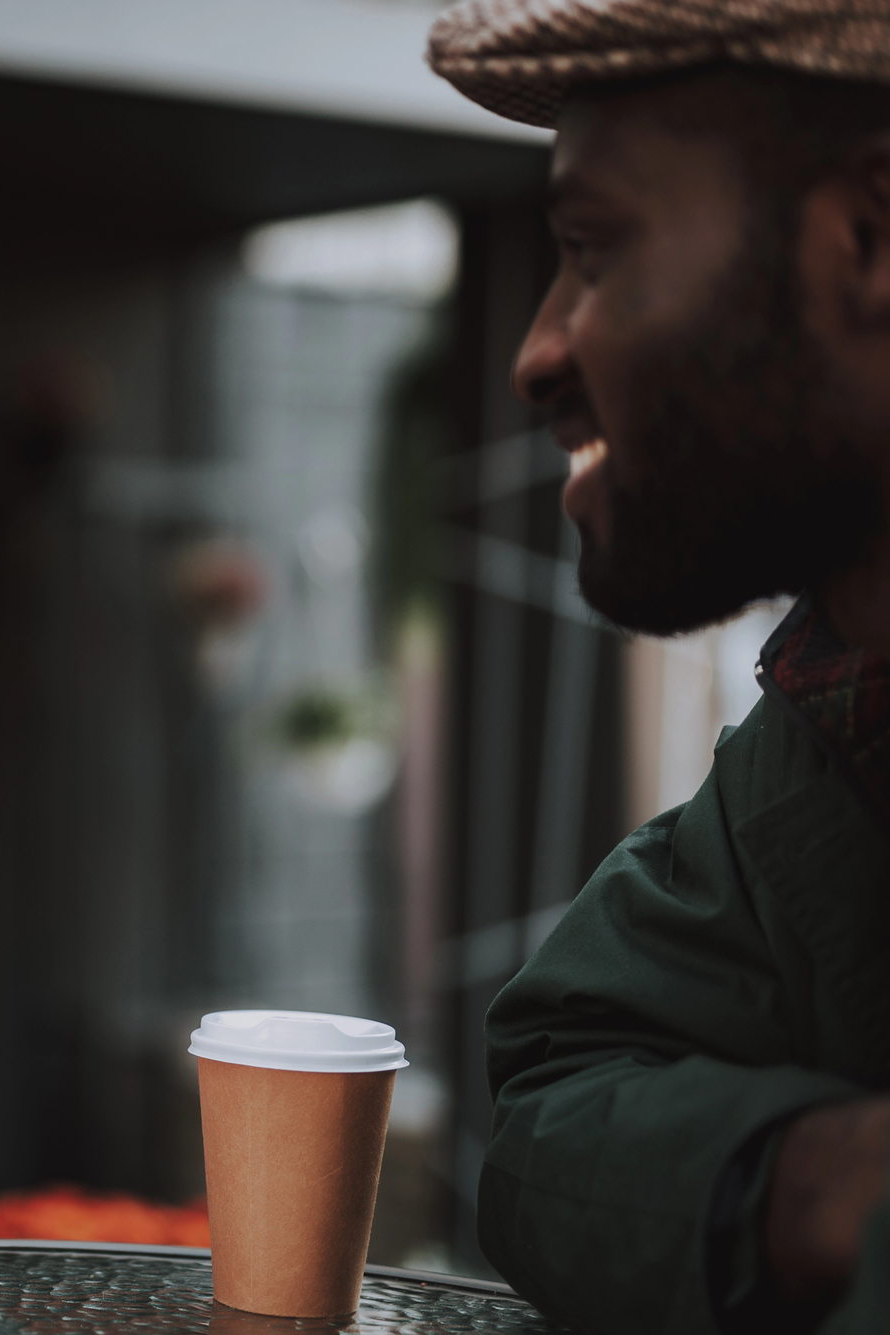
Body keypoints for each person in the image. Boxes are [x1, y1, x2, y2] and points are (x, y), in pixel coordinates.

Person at [424, 2, 890, 1331]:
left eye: (592, 250)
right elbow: (556, 1098)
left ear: (868, 236)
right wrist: (822, 1180)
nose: (538, 353)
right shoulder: (834, 720)